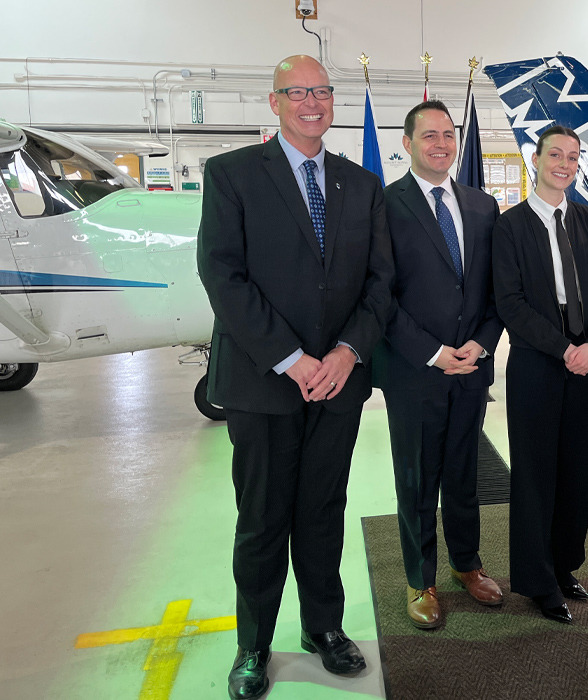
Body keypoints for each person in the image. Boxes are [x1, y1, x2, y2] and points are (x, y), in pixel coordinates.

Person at [197, 55, 392, 700]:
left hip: (337, 384)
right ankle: (253, 644)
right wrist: (293, 358)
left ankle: (323, 628)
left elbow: (378, 283)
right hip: (262, 382)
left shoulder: (360, 185)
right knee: (261, 518)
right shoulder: (231, 175)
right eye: (298, 92)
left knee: (322, 512)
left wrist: (343, 354)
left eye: (322, 91)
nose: (313, 102)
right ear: (274, 101)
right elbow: (223, 275)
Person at [373, 101, 504, 630]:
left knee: (464, 474)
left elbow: (496, 289)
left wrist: (482, 343)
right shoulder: (383, 206)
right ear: (407, 143)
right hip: (415, 371)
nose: (441, 144)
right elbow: (379, 295)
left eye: (448, 135)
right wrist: (431, 353)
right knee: (418, 479)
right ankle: (419, 578)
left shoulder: (481, 206)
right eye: (429, 136)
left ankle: (466, 564)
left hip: (471, 367)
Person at [492, 126, 588, 624]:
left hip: (587, 360)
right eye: (556, 155)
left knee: (576, 469)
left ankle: (565, 566)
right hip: (538, 360)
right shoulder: (510, 226)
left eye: (573, 157)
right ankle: (537, 581)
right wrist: (564, 347)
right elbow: (510, 303)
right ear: (535, 159)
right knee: (536, 473)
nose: (565, 163)